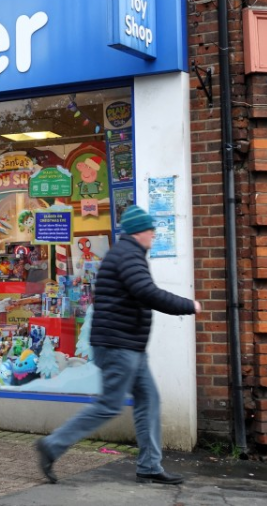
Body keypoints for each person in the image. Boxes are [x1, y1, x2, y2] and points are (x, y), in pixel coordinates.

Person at [34, 205, 201, 485]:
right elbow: (147, 292)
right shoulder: (128, 256)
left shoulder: (126, 254)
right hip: (118, 346)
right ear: (140, 232)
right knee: (109, 405)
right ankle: (52, 445)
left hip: (129, 345)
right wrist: (189, 305)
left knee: (148, 400)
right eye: (151, 231)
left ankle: (149, 465)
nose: (153, 236)